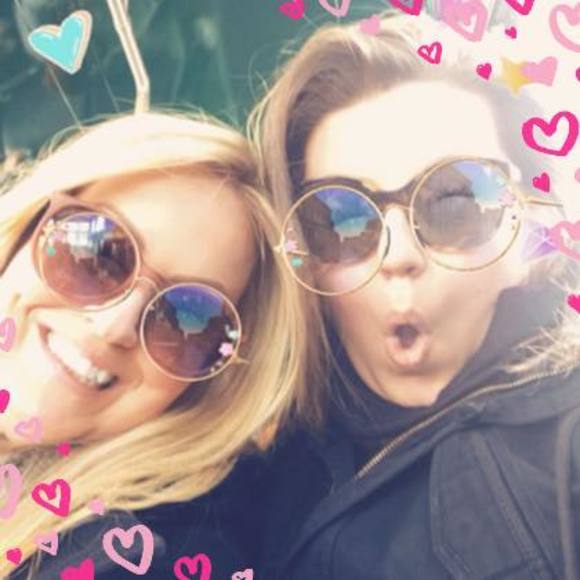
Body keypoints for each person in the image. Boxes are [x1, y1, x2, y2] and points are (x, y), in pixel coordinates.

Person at [250, 9, 580, 580]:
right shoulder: (256, 464)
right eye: (341, 219)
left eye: (456, 201)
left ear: (530, 218)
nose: (398, 254)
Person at [0, 111, 315, 579]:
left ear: (211, 380)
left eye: (188, 319)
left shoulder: (150, 557)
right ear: (29, 227)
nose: (114, 326)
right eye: (99, 254)